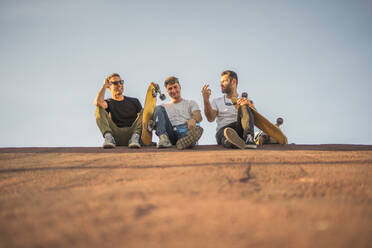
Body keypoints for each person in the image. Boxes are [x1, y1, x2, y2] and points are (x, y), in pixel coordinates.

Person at [202, 70, 256, 149]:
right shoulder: (217, 101)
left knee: (244, 106)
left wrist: (250, 106)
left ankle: (249, 138)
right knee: (226, 135)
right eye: (221, 82)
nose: (221, 84)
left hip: (240, 129)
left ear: (233, 82)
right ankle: (229, 141)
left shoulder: (244, 100)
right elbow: (210, 118)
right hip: (223, 130)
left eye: (224, 81)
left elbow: (255, 120)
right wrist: (206, 100)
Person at [94, 73, 142, 149]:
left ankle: (135, 138)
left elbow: (143, 119)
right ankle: (108, 138)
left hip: (133, 135)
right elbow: (98, 102)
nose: (119, 85)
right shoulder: (109, 102)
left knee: (144, 112)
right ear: (109, 87)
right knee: (99, 109)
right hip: (116, 135)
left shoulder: (134, 101)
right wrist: (104, 86)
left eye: (121, 82)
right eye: (115, 83)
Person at [153, 76, 203, 149]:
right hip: (170, 132)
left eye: (175, 87)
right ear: (166, 91)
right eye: (170, 88)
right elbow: (157, 120)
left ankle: (187, 140)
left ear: (180, 87)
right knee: (158, 108)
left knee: (191, 131)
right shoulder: (163, 107)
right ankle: (163, 138)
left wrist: (193, 119)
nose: (173, 90)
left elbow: (198, 116)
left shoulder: (190, 103)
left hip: (184, 129)